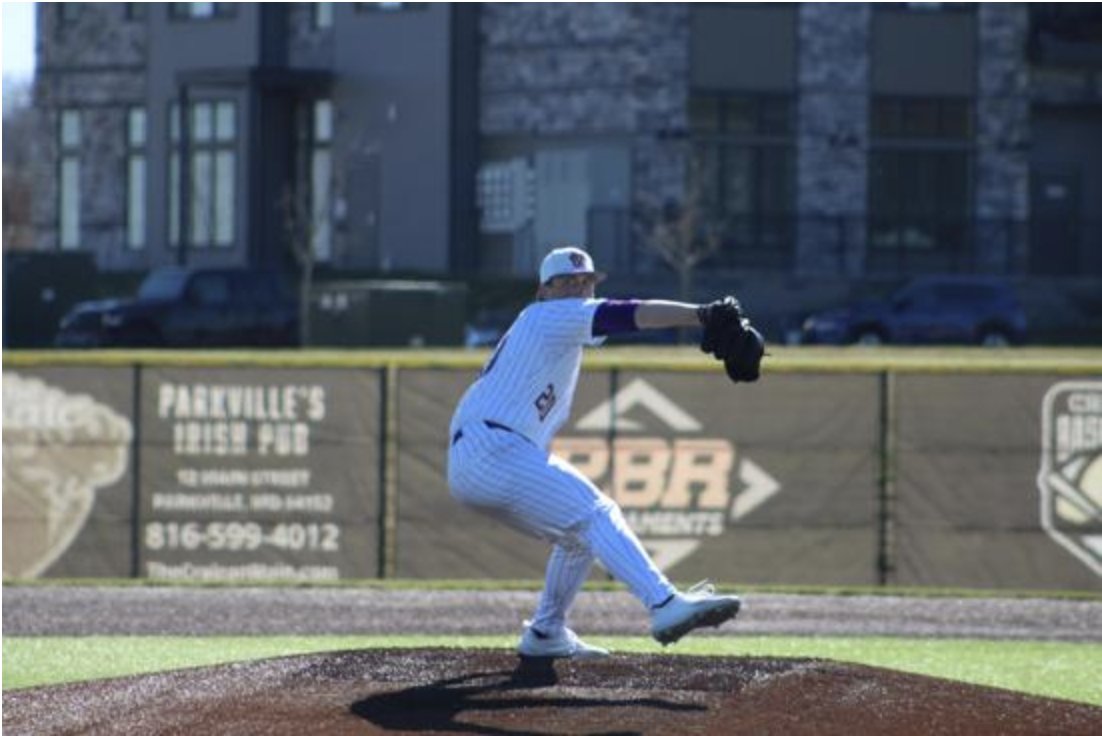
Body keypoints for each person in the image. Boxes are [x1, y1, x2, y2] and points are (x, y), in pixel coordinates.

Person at [447, 246, 752, 659]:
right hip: (492, 447)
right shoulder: (545, 317)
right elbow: (627, 313)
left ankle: (546, 633)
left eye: (585, 281)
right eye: (567, 282)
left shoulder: (555, 338)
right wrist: (703, 314)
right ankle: (663, 604)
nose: (578, 288)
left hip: (487, 453)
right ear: (544, 291)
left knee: (578, 536)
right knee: (597, 511)